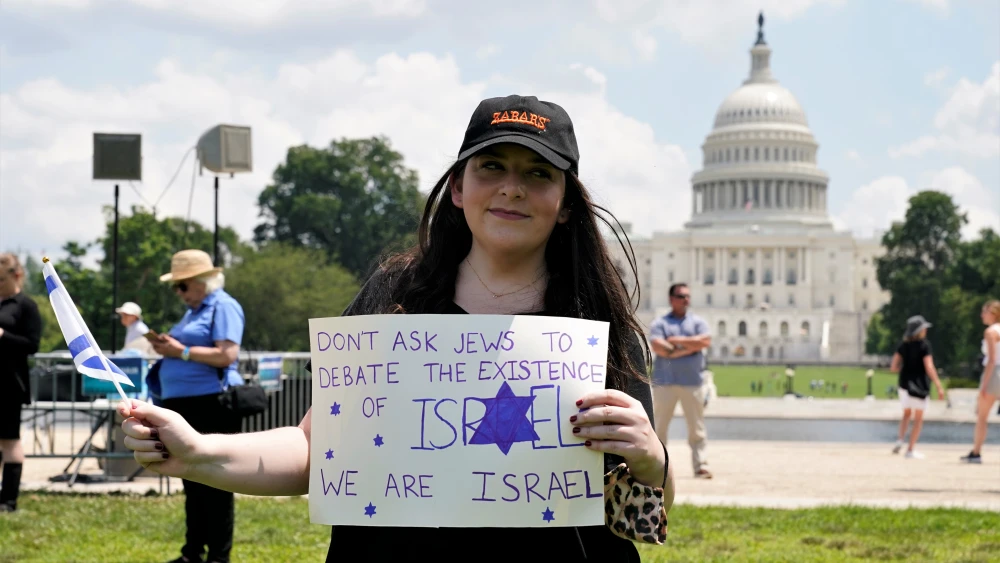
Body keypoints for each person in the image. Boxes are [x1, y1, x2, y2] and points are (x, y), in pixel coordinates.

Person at [118, 95, 673, 562]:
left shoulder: (596, 322)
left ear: (567, 203)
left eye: (537, 173)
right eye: (491, 167)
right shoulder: (395, 298)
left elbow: (652, 501)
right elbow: (315, 451)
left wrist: (652, 458)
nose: (512, 188)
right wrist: (197, 452)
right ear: (458, 188)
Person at [147, 249, 246, 563]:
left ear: (204, 281)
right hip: (185, 404)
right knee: (191, 480)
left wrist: (182, 352)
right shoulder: (195, 310)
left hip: (212, 403)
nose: (179, 293)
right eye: (177, 286)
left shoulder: (224, 306)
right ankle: (193, 553)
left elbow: (227, 355)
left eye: (183, 285)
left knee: (216, 482)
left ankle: (218, 556)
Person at [648, 282, 712, 479]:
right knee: (659, 427)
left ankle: (700, 464)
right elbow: (658, 346)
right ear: (671, 299)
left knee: (697, 427)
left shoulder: (698, 322)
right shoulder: (660, 323)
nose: (686, 300)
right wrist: (690, 347)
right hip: (665, 383)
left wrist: (676, 342)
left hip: (692, 382)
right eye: (681, 296)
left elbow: (705, 341)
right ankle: (658, 467)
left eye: (687, 296)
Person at [0, 253, 42, 513]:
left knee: (9, 441)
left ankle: (8, 500)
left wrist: (3, 336)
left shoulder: (26, 305)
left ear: (16, 276)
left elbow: (32, 345)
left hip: (9, 385)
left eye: (0, 279)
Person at [890, 315, 945, 459]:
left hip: (904, 384)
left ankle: (900, 440)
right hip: (919, 385)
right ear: (919, 330)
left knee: (906, 414)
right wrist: (938, 385)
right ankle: (910, 449)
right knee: (918, 418)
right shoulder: (924, 345)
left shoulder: (903, 345)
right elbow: (929, 366)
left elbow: (893, 367)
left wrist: (906, 366)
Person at [961, 300, 1000, 464]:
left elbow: (991, 359)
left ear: (993, 313)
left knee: (982, 416)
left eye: (984, 312)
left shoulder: (990, 332)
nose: (981, 315)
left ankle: (976, 452)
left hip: (994, 374)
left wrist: (984, 385)